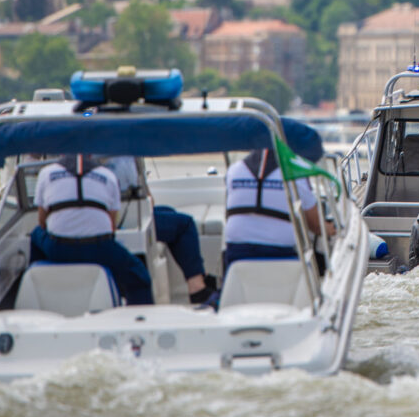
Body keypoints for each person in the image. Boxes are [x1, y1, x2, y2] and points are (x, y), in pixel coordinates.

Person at [31, 153, 154, 305]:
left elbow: (42, 222)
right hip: (98, 248)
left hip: (59, 250)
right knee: (139, 276)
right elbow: (111, 227)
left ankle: (35, 277)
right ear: (91, 155)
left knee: (36, 234)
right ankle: (138, 320)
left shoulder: (46, 173)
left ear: (62, 153)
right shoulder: (108, 176)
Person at [101, 156, 216, 305]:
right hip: (127, 220)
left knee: (169, 212)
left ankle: (200, 275)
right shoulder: (124, 159)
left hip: (126, 214)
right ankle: (197, 287)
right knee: (185, 224)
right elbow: (142, 197)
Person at [223, 118, 334, 273]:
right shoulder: (295, 174)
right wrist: (335, 230)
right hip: (279, 252)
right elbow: (316, 225)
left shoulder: (234, 170)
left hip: (236, 251)